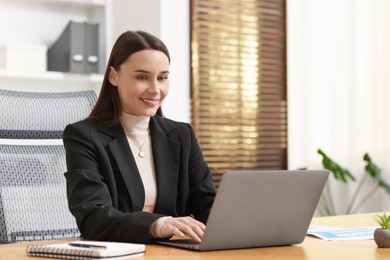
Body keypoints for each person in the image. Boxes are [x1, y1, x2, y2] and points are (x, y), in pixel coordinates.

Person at [63, 30, 216, 244]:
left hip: (171, 254)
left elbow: (208, 205)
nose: (155, 90)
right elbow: (93, 217)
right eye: (142, 77)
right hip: (117, 254)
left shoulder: (182, 135)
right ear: (113, 76)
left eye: (162, 78)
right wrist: (159, 224)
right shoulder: (84, 136)